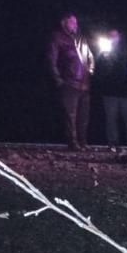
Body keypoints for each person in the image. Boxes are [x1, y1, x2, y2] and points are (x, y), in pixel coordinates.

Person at [48, 12, 94, 150]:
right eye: (72, 22)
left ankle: (83, 141)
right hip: (69, 82)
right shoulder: (58, 37)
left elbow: (90, 56)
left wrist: (91, 70)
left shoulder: (81, 38)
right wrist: (58, 79)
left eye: (76, 22)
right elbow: (51, 59)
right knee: (70, 115)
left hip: (84, 83)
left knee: (83, 115)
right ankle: (73, 142)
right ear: (64, 23)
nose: (75, 24)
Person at [94, 30, 127, 152]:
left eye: (114, 36)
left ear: (119, 37)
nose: (112, 38)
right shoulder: (103, 53)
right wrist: (105, 58)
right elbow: (101, 72)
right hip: (110, 91)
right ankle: (112, 143)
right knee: (111, 118)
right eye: (110, 36)